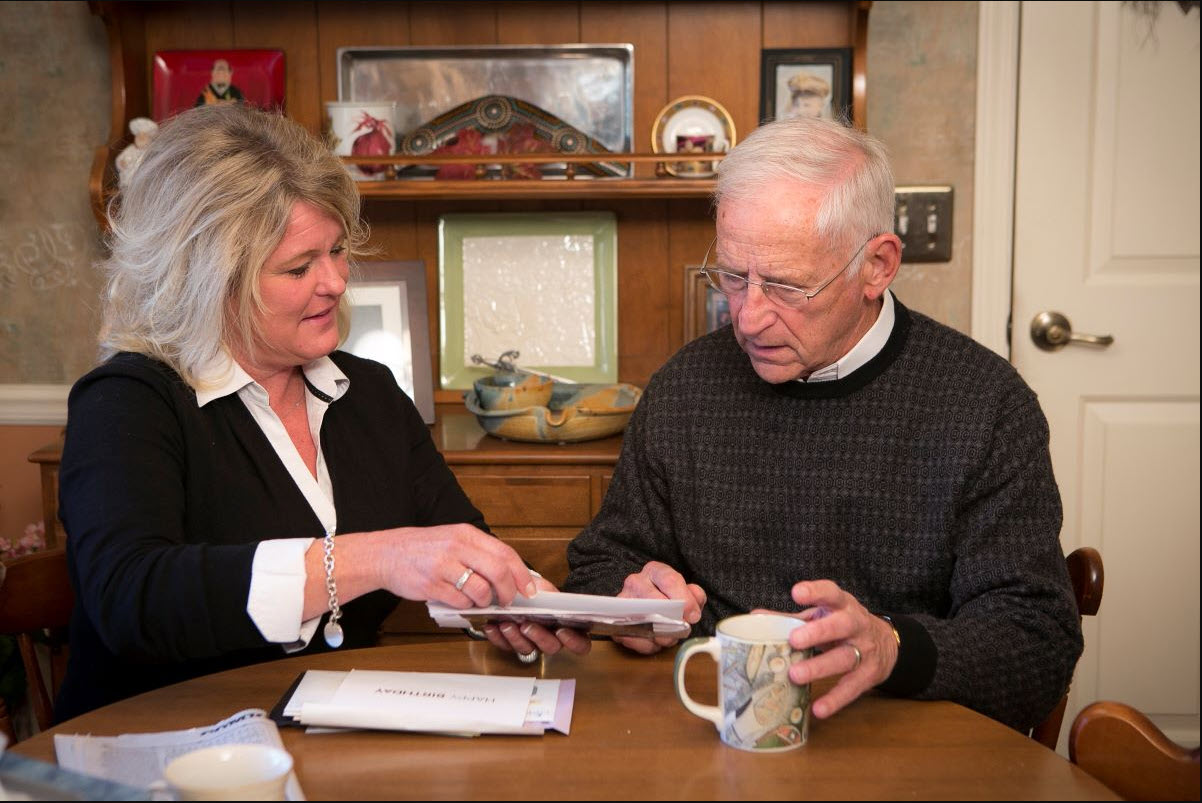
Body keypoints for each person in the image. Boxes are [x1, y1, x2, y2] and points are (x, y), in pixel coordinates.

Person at [55, 102, 587, 722]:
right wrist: (373, 559)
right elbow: (132, 600)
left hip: (328, 743)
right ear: (206, 280)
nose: (335, 281)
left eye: (337, 251)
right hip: (160, 751)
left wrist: (524, 606)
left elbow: (456, 546)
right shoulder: (129, 401)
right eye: (299, 266)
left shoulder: (369, 394)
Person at [564, 114, 1083, 734]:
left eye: (785, 286)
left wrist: (894, 648)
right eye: (733, 277)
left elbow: (1036, 640)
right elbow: (601, 561)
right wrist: (629, 598)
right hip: (718, 736)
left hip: (907, 745)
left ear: (877, 266)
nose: (749, 319)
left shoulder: (985, 407)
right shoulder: (686, 387)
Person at [114, 117, 159, 187]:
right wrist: (121, 163)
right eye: (139, 135)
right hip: (127, 180)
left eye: (144, 136)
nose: (141, 138)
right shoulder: (130, 149)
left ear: (150, 139)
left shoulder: (151, 151)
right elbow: (120, 159)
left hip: (143, 181)